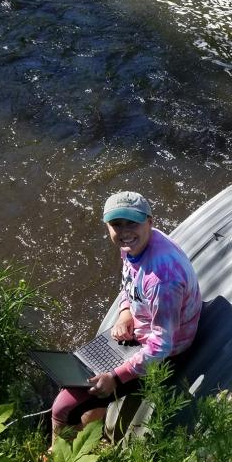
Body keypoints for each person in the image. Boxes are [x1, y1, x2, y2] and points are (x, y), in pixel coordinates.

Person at [49, 191, 201, 447]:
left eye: (132, 223)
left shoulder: (163, 279)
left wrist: (117, 377)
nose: (124, 231)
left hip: (165, 353)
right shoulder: (133, 245)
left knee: (63, 407)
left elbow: (162, 345)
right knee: (81, 376)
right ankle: (92, 438)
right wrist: (125, 312)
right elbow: (129, 284)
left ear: (150, 222)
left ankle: (59, 460)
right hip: (141, 333)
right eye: (116, 224)